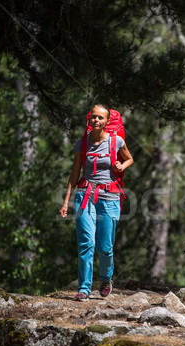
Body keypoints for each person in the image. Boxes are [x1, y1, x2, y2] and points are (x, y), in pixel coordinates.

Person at [59, 104, 133, 300]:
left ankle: (106, 279)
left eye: (100, 118)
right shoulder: (81, 144)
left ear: (107, 122)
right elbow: (74, 175)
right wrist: (66, 202)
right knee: (86, 243)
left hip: (109, 198)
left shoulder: (116, 141)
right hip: (84, 196)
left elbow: (130, 158)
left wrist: (121, 164)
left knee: (105, 247)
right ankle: (84, 288)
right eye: (93, 117)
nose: (96, 120)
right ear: (89, 120)